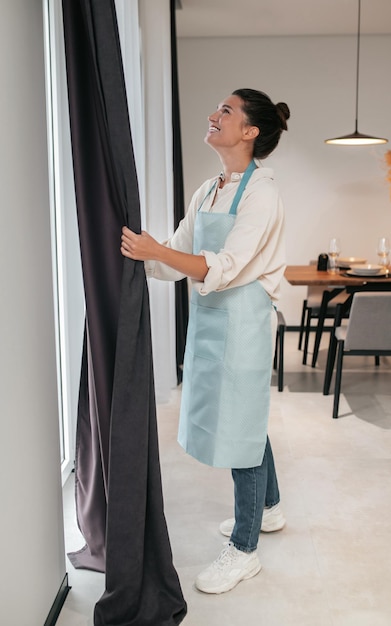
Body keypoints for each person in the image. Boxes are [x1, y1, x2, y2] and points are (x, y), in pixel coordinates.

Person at [121, 88, 289, 595]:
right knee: (245, 418)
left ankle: (244, 548)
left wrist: (160, 254)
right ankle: (272, 508)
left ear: (250, 131)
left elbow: (228, 266)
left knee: (240, 427)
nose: (213, 115)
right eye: (217, 108)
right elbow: (176, 253)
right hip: (214, 319)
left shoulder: (263, 194)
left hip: (246, 321)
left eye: (226, 111)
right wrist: (139, 254)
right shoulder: (209, 188)